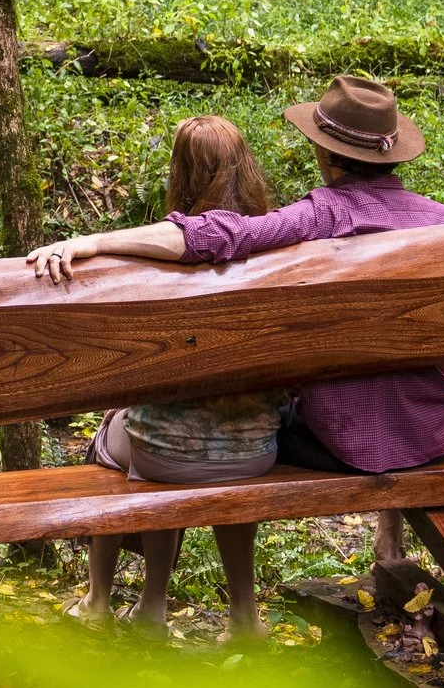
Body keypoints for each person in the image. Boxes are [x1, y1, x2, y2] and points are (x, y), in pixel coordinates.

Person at [26, 76, 444, 570]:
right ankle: (389, 545)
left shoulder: (320, 217)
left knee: (253, 425)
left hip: (341, 444)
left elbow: (217, 235)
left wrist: (93, 243)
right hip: (432, 437)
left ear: (325, 152)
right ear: (393, 155)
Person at [60, 115, 282, 636]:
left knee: (123, 440)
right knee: (203, 439)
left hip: (164, 455)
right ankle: (245, 616)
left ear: (180, 171)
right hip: (258, 452)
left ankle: (115, 603)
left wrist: (93, 242)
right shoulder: (280, 249)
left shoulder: (153, 264)